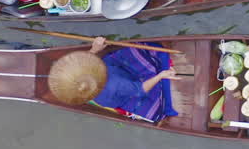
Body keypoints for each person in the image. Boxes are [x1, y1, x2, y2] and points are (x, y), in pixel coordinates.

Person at [46, 36, 178, 123]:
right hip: (129, 90)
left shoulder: (86, 86)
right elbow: (140, 90)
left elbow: (81, 63)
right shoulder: (114, 85)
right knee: (151, 75)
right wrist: (160, 76)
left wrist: (94, 49)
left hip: (115, 74)